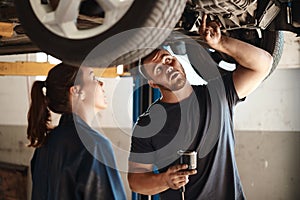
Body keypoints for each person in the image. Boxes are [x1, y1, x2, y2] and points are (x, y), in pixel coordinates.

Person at [127, 14, 273, 199]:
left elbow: (263, 64)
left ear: (177, 60)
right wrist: (165, 180)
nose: (168, 67)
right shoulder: (147, 124)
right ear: (153, 83)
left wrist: (221, 43)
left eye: (167, 59)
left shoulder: (217, 94)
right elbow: (136, 180)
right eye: (158, 70)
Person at [27, 63, 126, 200]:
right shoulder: (95, 146)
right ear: (76, 91)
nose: (101, 83)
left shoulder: (44, 145)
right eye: (93, 78)